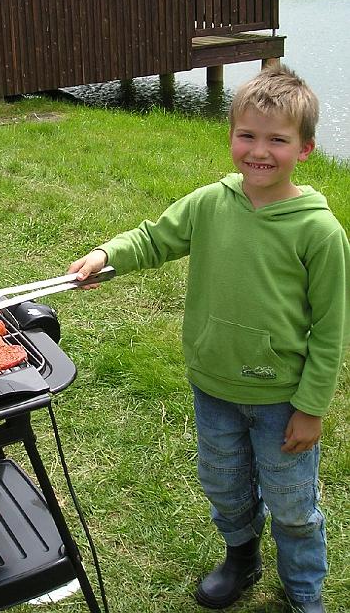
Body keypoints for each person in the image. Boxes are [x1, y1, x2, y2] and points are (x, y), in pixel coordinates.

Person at [68, 65, 349, 613]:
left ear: (306, 149)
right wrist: (108, 255)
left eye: (277, 140)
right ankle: (241, 557)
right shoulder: (209, 203)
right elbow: (155, 237)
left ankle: (303, 591)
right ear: (230, 136)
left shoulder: (319, 231)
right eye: (247, 135)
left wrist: (312, 407)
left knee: (292, 503)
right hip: (213, 387)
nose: (259, 151)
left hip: (281, 399)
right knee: (224, 485)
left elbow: (331, 330)